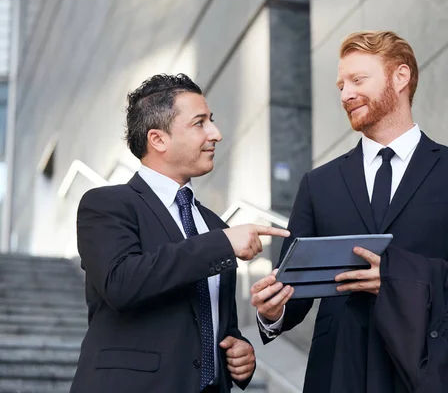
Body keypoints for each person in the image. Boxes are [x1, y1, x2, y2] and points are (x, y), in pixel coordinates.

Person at [250, 31, 448, 392]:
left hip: (433, 374)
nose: (346, 94)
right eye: (341, 85)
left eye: (358, 80)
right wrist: (272, 311)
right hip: (339, 376)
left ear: (401, 77)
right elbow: (293, 291)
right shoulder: (318, 184)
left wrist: (403, 280)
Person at [70, 74, 290, 393]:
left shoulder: (215, 225)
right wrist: (222, 244)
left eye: (211, 121)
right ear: (158, 139)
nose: (216, 133)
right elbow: (121, 284)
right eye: (200, 123)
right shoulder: (106, 204)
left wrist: (240, 353)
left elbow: (215, 322)